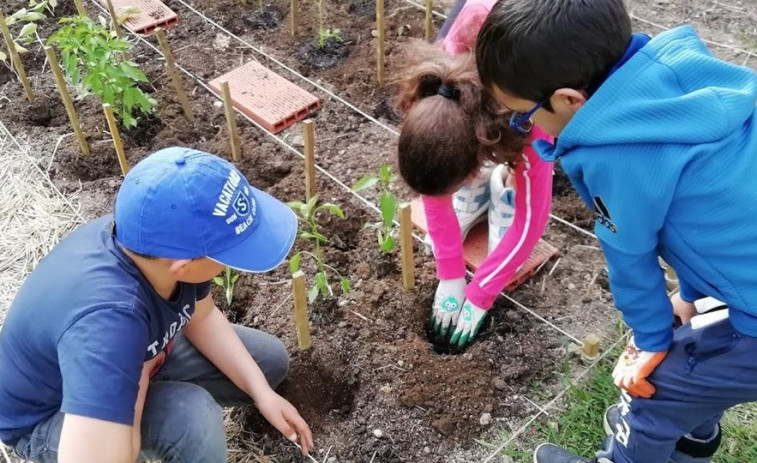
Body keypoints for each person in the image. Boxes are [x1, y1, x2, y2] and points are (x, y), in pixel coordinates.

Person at [475, 0, 757, 462]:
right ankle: (690, 441)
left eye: (524, 115)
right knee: (695, 363)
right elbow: (711, 214)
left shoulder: (619, 154)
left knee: (655, 385)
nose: (524, 126)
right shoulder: (688, 84)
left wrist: (650, 339)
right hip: (746, 276)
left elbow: (630, 255)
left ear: (568, 100)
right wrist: (689, 295)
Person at [0, 147, 314, 462]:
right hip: (52, 417)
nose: (230, 263)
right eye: (226, 254)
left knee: (268, 362)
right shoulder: (109, 323)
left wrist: (263, 395)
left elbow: (201, 318)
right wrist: (137, 378)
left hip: (133, 360)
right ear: (183, 266)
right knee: (192, 417)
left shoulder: (158, 238)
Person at [396, 0, 554, 348]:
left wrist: (482, 291)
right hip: (490, 20)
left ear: (473, 166)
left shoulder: (530, 117)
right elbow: (435, 190)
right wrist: (450, 272)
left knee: (528, 168)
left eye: (454, 187)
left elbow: (532, 220)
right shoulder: (440, 84)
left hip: (545, 41)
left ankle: (503, 190)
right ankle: (478, 195)